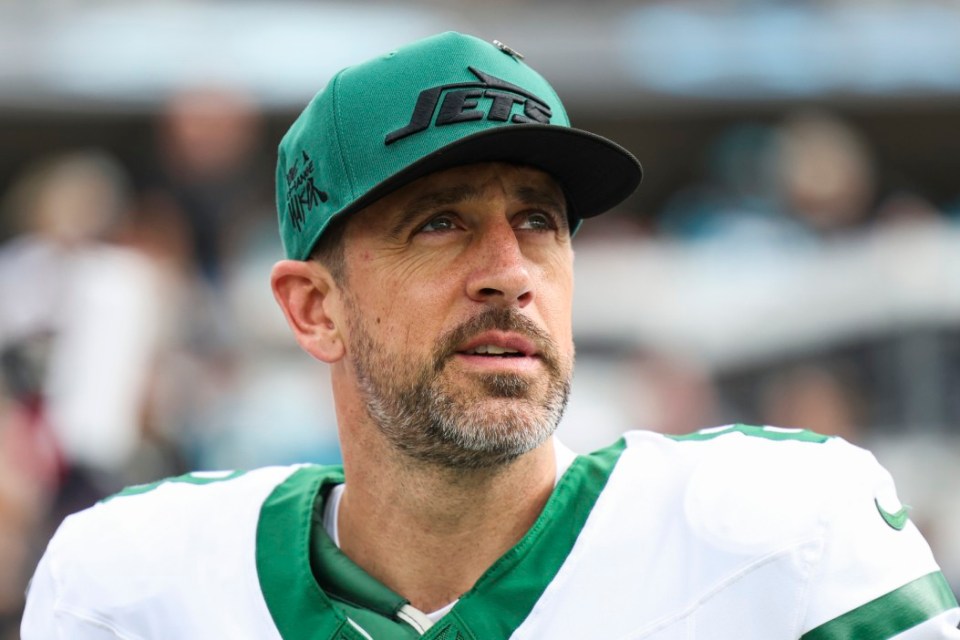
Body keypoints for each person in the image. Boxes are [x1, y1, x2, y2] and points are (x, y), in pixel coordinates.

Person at [21, 31, 959, 639]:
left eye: (539, 222)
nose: (510, 272)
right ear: (315, 309)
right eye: (440, 223)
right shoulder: (129, 584)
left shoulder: (788, 534)